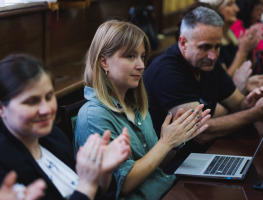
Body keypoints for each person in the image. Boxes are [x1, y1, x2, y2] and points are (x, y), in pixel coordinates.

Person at [74, 20, 210, 200]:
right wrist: (165, 143)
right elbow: (123, 184)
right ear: (104, 62)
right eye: (130, 56)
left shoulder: (134, 104)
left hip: (166, 190)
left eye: (142, 56)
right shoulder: (93, 115)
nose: (141, 65)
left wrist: (176, 139)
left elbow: (153, 165)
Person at [143, 6, 263, 146]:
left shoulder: (206, 64)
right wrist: (255, 113)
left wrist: (253, 103)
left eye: (217, 46)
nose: (213, 55)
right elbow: (199, 132)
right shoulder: (166, 72)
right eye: (205, 47)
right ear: (183, 43)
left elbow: (238, 104)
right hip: (171, 164)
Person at [0, 54, 131, 200]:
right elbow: (84, 190)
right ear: (1, 108)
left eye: (49, 97)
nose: (46, 109)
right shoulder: (5, 168)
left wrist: (101, 173)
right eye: (31, 101)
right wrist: (87, 184)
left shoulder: (54, 136)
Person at [198, 0, 263, 94]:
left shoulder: (230, 35)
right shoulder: (212, 44)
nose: (237, 9)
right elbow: (223, 83)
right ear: (215, 10)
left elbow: (249, 69)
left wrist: (250, 48)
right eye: (230, 4)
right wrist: (243, 51)